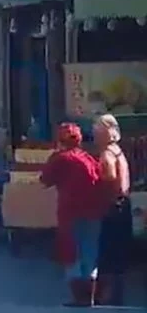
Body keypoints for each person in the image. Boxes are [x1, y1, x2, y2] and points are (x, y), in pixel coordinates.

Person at [40, 122, 106, 307]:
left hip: (71, 213)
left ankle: (78, 297)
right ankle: (90, 297)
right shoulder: (88, 158)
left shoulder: (60, 158)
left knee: (71, 254)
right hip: (94, 212)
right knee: (89, 253)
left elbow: (45, 180)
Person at [94, 113, 132, 306]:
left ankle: (106, 297)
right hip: (124, 204)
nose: (95, 136)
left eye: (97, 132)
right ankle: (117, 295)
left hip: (112, 206)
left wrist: (95, 184)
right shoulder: (119, 151)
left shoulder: (107, 154)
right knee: (119, 253)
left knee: (108, 253)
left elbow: (108, 177)